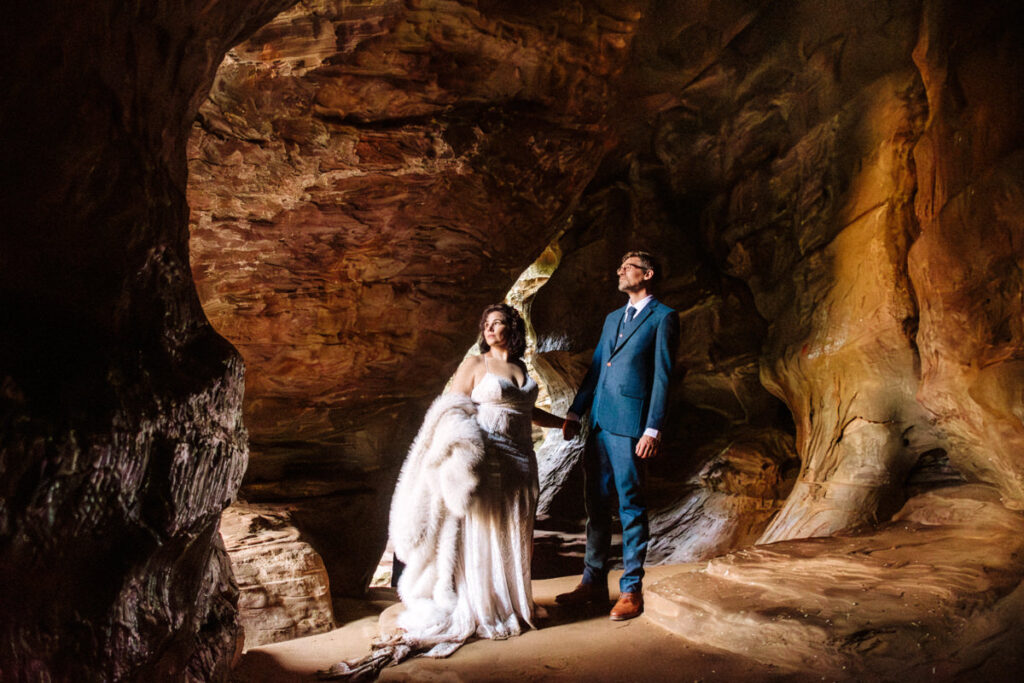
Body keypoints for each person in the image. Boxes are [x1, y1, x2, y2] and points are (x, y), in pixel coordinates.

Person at [321, 304, 561, 679]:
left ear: (512, 328)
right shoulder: (475, 365)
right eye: (486, 324)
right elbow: (450, 410)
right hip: (491, 458)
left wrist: (563, 423)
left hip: (523, 463)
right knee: (484, 532)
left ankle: (513, 603)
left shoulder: (521, 367)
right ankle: (483, 606)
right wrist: (462, 451)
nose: (491, 329)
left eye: (498, 324)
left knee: (516, 530)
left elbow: (526, 410)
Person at [556, 250, 678, 621]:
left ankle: (630, 590)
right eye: (621, 266)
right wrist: (576, 411)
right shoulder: (613, 318)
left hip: (632, 426)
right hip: (598, 424)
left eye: (628, 267)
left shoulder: (664, 318)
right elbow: (597, 368)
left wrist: (652, 428)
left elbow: (663, 376)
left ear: (648, 274)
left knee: (630, 505)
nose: (620, 271)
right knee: (595, 505)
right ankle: (592, 584)